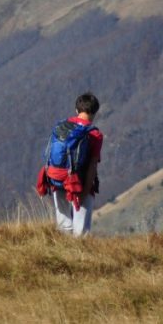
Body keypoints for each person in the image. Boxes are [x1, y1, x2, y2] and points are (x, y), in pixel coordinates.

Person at [36, 92, 103, 237]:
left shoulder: (62, 126)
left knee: (63, 226)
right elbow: (92, 164)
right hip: (78, 182)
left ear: (76, 110)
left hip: (56, 178)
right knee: (81, 232)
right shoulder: (94, 134)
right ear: (94, 112)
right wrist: (86, 191)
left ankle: (62, 255)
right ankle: (79, 258)